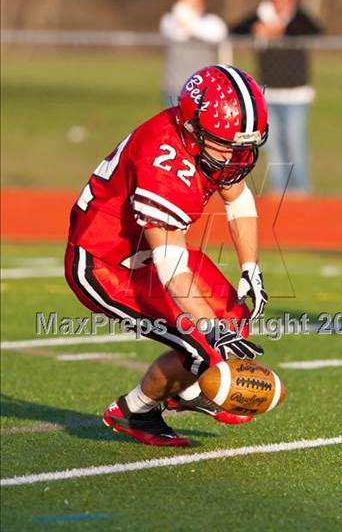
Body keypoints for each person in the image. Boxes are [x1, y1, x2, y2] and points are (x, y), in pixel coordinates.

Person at [65, 64, 269, 447]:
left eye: (246, 147)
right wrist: (211, 333)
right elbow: (173, 269)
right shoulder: (165, 164)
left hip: (150, 251)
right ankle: (135, 410)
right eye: (229, 146)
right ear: (193, 129)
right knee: (204, 341)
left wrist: (250, 268)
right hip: (106, 263)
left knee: (235, 321)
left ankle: (188, 391)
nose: (237, 158)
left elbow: (237, 197)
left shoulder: (208, 142)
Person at [231, 0, 322, 195]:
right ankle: (279, 189)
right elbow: (235, 29)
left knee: (294, 142)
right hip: (268, 93)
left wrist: (280, 30)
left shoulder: (299, 17)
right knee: (272, 147)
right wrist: (259, 28)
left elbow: (315, 30)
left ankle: (301, 191)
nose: (280, 2)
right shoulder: (261, 15)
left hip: (296, 93)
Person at [160, 0, 228, 104]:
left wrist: (188, 22)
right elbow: (176, 34)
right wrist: (183, 21)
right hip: (175, 87)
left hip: (205, 89)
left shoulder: (211, 22)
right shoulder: (168, 20)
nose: (186, 4)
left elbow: (217, 34)